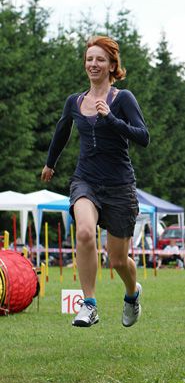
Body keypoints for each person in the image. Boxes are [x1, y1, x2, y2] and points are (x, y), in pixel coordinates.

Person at [41, 36, 149, 328]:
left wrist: (112, 119)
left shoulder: (122, 99)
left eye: (100, 59)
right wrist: (50, 163)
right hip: (85, 180)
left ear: (112, 65)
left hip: (119, 186)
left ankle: (132, 294)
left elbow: (143, 137)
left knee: (117, 261)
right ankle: (88, 304)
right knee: (85, 233)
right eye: (90, 59)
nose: (93, 64)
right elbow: (62, 132)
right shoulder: (75, 101)